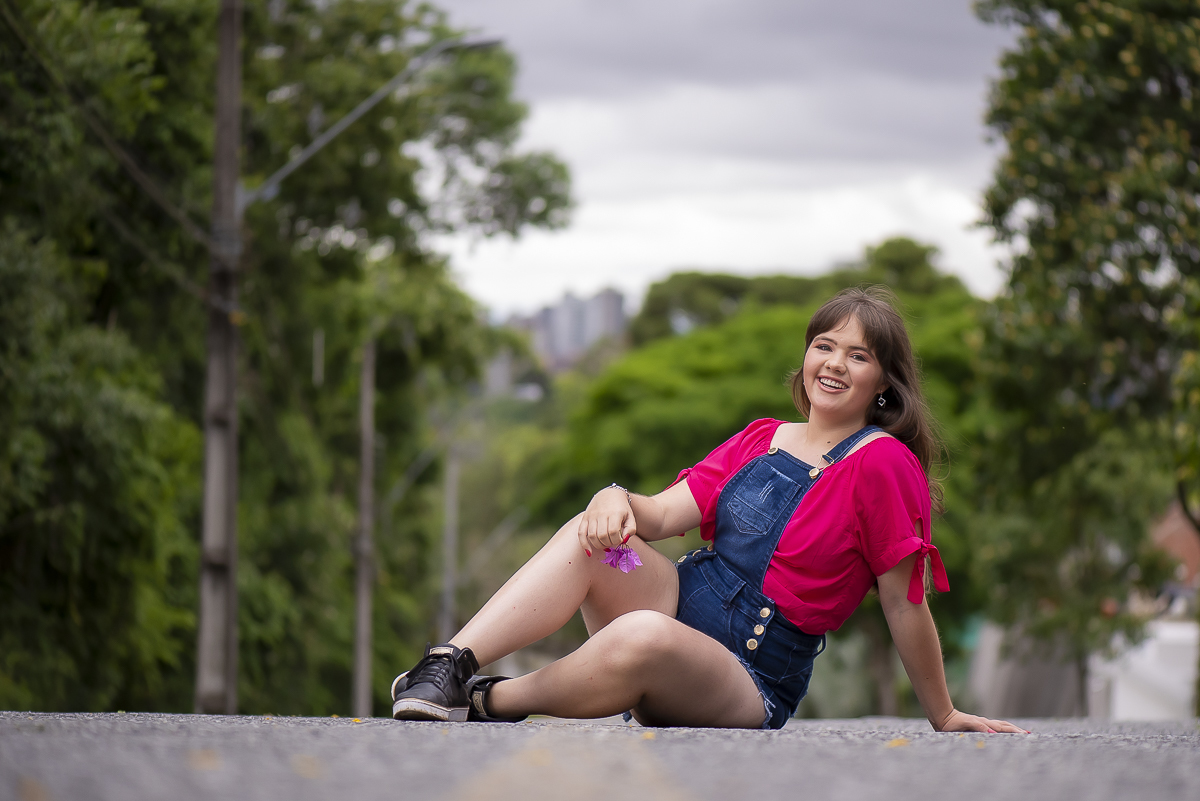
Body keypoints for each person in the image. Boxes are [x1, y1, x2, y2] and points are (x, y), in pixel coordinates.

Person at [390, 287, 1025, 733]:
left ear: (885, 382)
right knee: (593, 537)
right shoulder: (760, 438)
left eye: (858, 356)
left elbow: (904, 601)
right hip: (678, 600)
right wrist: (614, 498)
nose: (834, 364)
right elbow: (662, 516)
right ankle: (447, 666)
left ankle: (491, 700)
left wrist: (943, 713)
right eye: (824, 346)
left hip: (748, 675)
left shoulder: (884, 462)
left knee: (643, 635)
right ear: (806, 357)